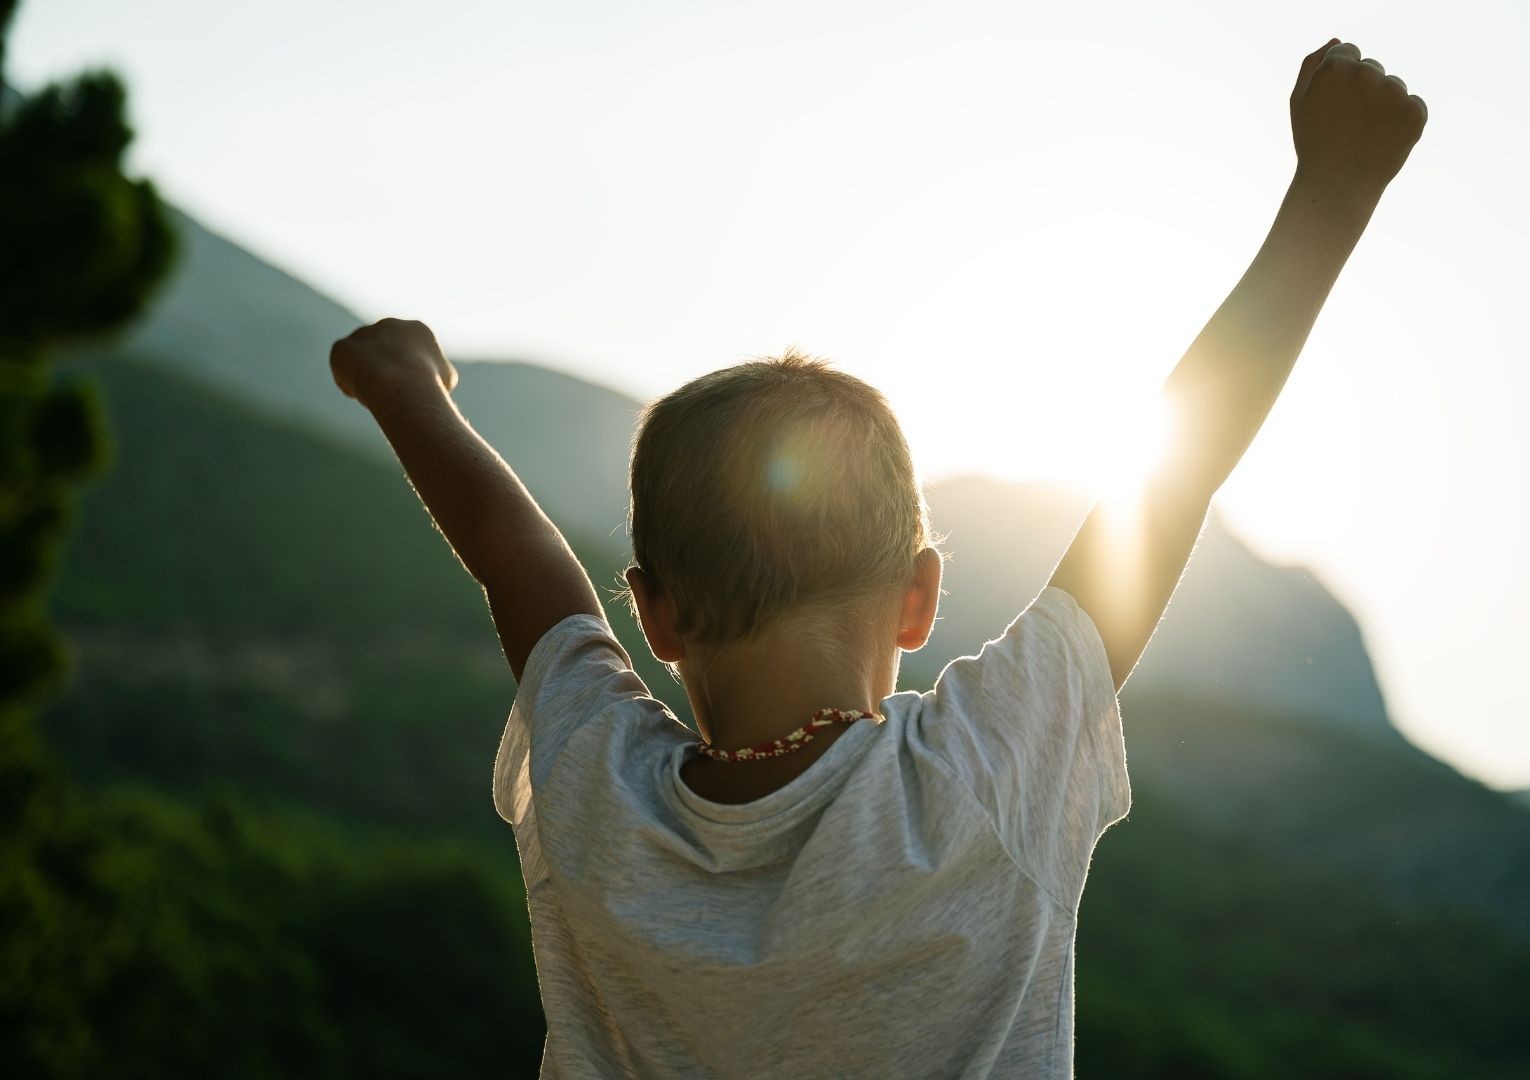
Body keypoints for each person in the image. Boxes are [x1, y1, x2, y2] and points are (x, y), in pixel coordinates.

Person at [329, 37, 1423, 1080]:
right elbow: (1176, 476)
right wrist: (1333, 191)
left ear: (654, 615)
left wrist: (406, 390)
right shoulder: (978, 773)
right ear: (919, 597)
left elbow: (517, 562)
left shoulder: (598, 795)